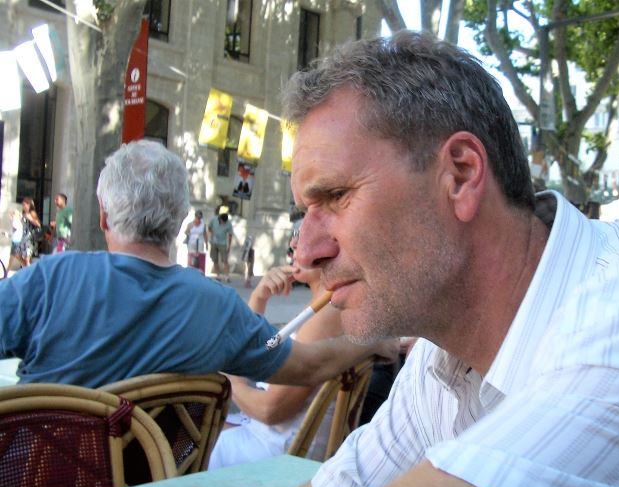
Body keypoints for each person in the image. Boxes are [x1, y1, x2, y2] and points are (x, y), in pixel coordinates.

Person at [5, 31, 619, 487]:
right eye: (303, 209)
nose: (307, 248)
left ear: (460, 175)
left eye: (334, 197)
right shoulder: (445, 352)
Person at [0, 139, 404, 390]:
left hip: (30, 486)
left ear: (104, 217)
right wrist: (371, 341)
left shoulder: (48, 281)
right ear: (181, 220)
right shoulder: (218, 307)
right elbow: (307, 365)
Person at [209, 234, 344, 468]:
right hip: (268, 437)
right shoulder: (318, 307)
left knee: (183, 440)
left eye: (301, 236)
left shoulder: (325, 316)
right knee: (192, 426)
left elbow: (269, 410)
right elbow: (267, 348)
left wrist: (231, 382)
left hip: (275, 453)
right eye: (294, 236)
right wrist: (259, 298)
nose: (293, 244)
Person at [208, 207, 233, 282]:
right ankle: (218, 275)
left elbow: (230, 235)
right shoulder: (213, 220)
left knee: (225, 260)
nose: (223, 223)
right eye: (222, 221)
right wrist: (212, 233)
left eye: (224, 222)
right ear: (219, 218)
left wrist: (229, 246)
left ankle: (227, 276)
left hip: (223, 243)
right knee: (215, 260)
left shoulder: (228, 223)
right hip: (214, 242)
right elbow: (209, 227)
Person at [15, 197, 41, 267]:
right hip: (23, 238)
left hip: (29, 238)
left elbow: (38, 224)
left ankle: (28, 269)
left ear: (29, 205)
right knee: (17, 255)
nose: (23, 206)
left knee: (27, 259)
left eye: (24, 204)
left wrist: (30, 218)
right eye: (22, 205)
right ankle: (28, 269)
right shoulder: (23, 213)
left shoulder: (32, 213)